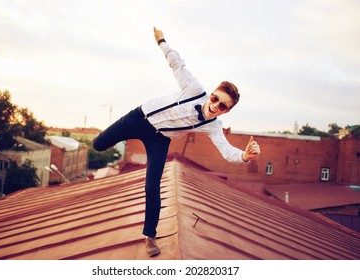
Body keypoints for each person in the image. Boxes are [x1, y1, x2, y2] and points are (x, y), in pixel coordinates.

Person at [92, 27, 261, 257]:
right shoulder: (194, 89)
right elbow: (177, 63)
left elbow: (226, 150)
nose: (215, 106)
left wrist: (244, 156)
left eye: (222, 106)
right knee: (98, 145)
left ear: (226, 111)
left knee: (153, 187)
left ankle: (150, 236)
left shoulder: (213, 126)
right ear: (211, 93)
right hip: (139, 118)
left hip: (160, 140)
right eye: (215, 98)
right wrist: (162, 41)